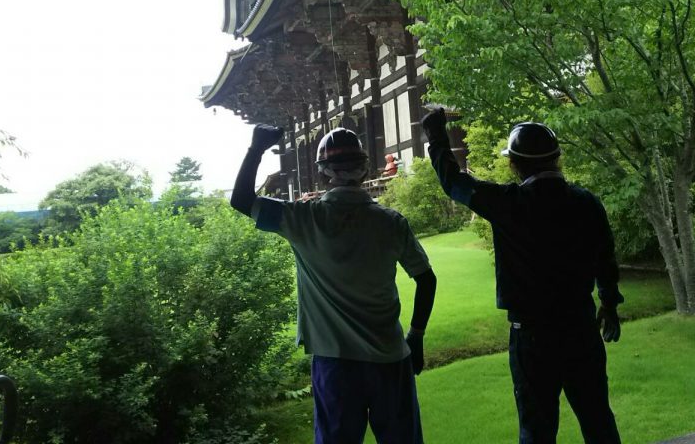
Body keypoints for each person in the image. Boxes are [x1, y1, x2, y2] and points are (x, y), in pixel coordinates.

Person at [421, 108, 623, 444]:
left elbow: (453, 183)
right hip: (581, 328)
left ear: (514, 163)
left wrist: (436, 136)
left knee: (537, 429)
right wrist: (610, 303)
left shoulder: (506, 203)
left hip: (532, 337)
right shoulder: (587, 203)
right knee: (598, 419)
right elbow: (605, 258)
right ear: (557, 159)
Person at [230, 124, 437, 444]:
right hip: (390, 359)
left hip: (335, 363)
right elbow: (426, 279)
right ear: (365, 168)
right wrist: (417, 336)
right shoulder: (391, 222)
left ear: (325, 171)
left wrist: (257, 147)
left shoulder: (302, 218)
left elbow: (242, 199)